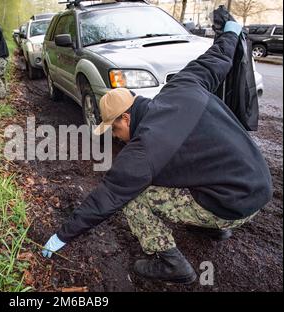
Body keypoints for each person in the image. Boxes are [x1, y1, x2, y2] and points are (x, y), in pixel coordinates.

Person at [41, 20, 273, 284]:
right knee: (190, 174)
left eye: (113, 130)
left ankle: (172, 264)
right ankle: (215, 229)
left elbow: (105, 199)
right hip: (259, 185)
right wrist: (230, 32)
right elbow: (217, 57)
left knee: (134, 199)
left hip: (233, 207)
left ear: (125, 119)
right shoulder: (182, 85)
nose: (116, 137)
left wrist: (62, 236)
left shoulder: (143, 150)